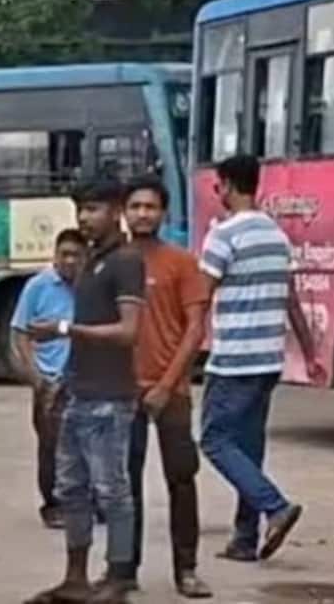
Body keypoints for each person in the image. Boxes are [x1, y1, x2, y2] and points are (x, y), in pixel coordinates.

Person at [197, 153, 323, 564]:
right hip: (269, 358)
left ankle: (276, 506)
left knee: (215, 440)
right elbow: (291, 299)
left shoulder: (222, 236)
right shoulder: (276, 235)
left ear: (229, 186)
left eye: (219, 186)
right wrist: (309, 352)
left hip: (233, 359)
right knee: (248, 447)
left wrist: (183, 351)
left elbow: (200, 298)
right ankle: (244, 538)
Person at [26, 176, 145, 604]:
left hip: (112, 398)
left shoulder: (126, 261)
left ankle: (118, 577)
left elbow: (129, 331)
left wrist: (63, 328)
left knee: (113, 490)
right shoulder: (92, 261)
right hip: (79, 392)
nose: (85, 218)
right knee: (70, 488)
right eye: (80, 210)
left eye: (93, 209)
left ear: (116, 210)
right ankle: (75, 575)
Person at [119, 175, 213, 599]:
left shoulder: (182, 263)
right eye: (135, 206)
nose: (143, 214)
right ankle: (123, 570)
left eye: (150, 207)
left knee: (181, 478)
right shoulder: (112, 262)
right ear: (125, 211)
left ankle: (186, 569)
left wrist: (165, 385)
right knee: (125, 484)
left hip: (171, 392)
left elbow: (195, 331)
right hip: (122, 393)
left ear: (163, 213)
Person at [14, 229, 85, 530]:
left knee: (85, 446)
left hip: (84, 380)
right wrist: (35, 377)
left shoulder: (92, 286)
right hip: (50, 381)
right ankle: (52, 504)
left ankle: (85, 501)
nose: (69, 261)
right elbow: (20, 333)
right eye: (64, 254)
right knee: (51, 446)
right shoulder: (38, 286)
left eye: (76, 255)